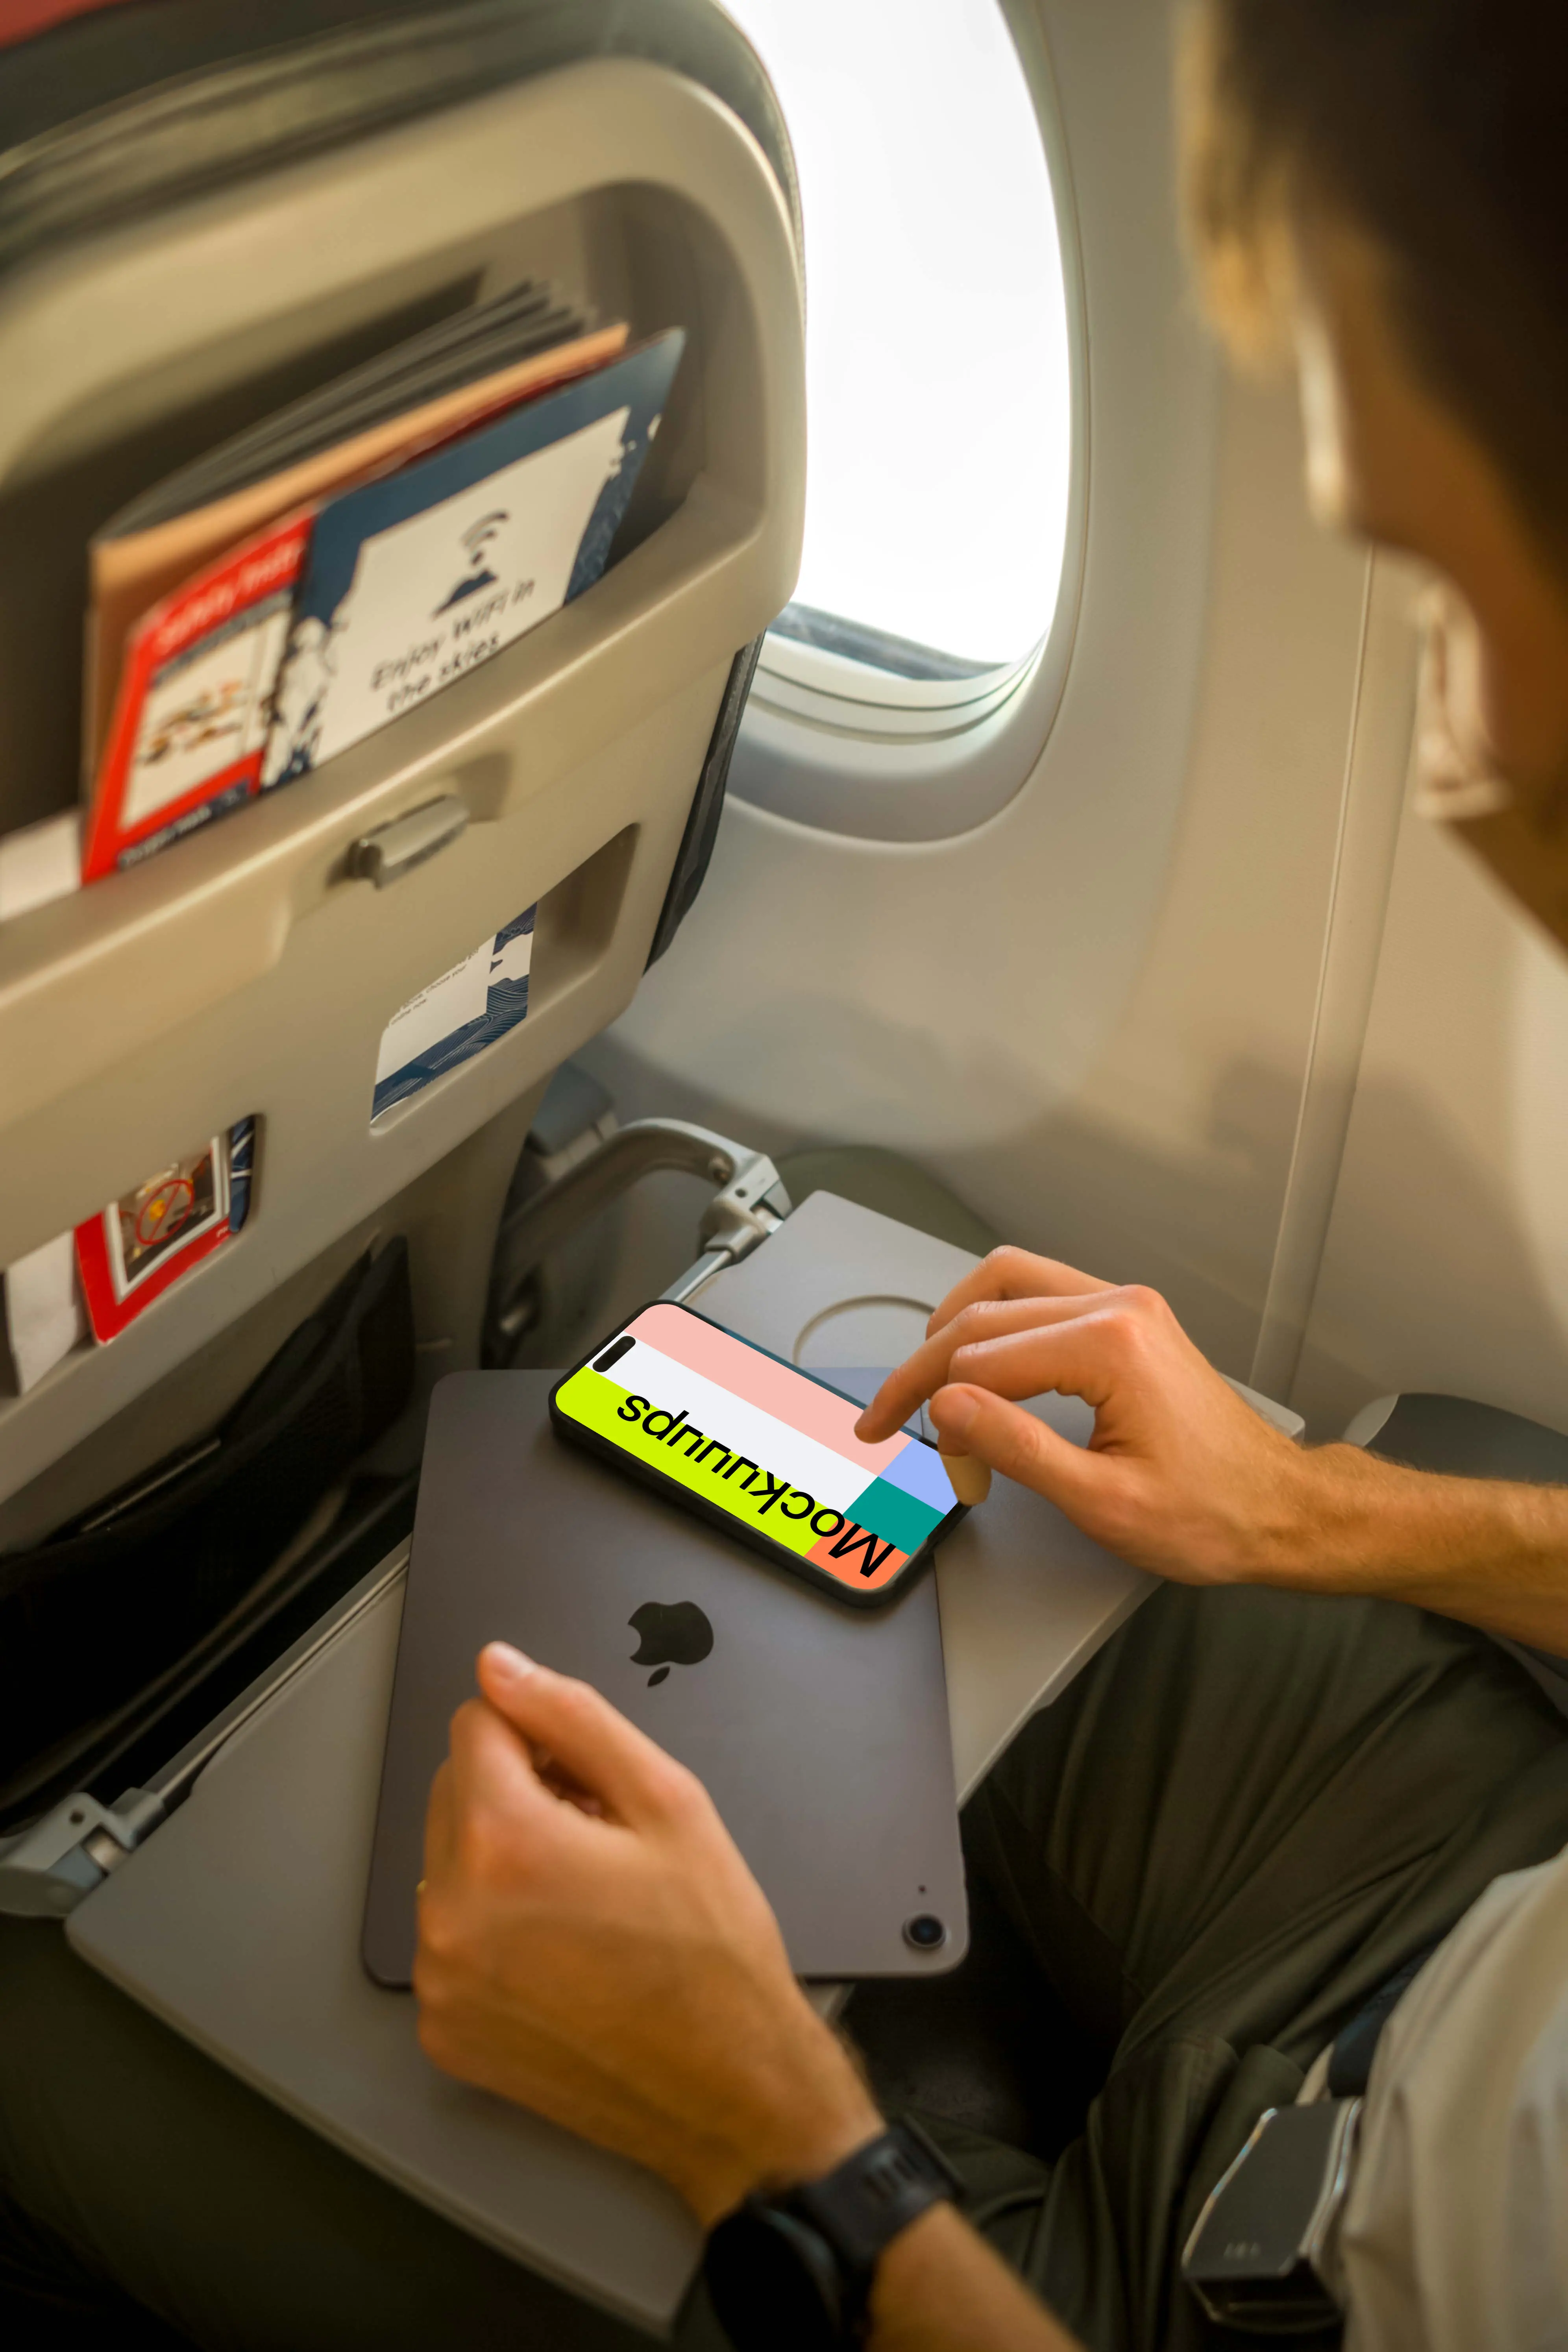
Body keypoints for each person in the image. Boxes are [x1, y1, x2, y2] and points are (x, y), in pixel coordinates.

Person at [4, 1, 1568, 2346]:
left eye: (1462, 605)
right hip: (1491, 1871)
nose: (1453, 746)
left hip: (1242, 2285)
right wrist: (1310, 1508)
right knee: (826, 1357)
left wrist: (774, 2135)